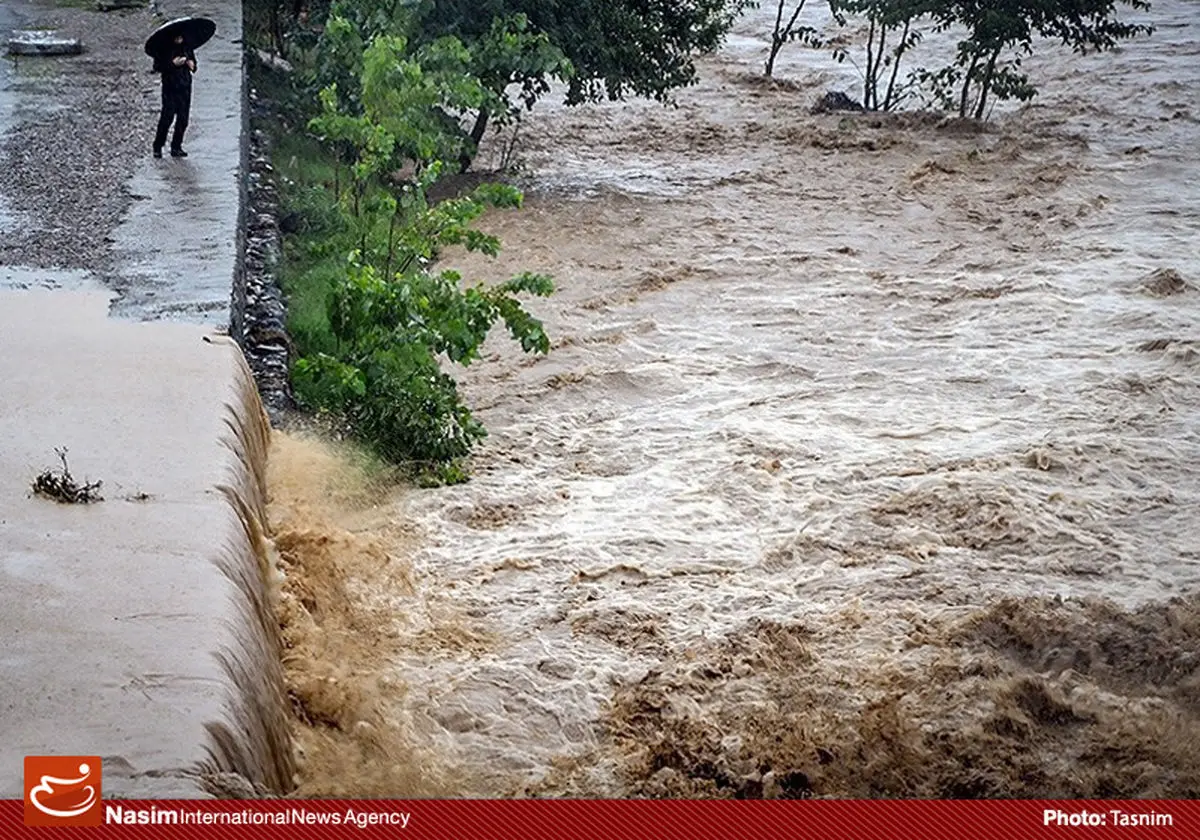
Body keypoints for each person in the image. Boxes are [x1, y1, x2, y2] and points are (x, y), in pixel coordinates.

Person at [152, 34, 196, 158]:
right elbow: (157, 67)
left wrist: (192, 65)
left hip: (185, 86)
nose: (179, 39)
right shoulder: (163, 49)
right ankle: (158, 146)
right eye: (176, 37)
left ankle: (176, 146)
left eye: (181, 37)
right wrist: (172, 63)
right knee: (167, 118)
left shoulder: (187, 48)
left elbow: (193, 64)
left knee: (183, 119)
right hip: (170, 87)